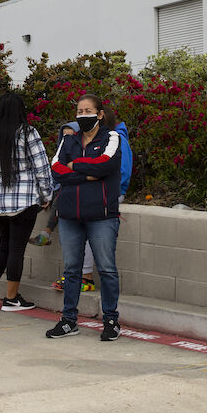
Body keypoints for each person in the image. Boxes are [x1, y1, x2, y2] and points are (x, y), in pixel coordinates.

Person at [45, 94, 124, 341]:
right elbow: (56, 169)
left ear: (100, 114)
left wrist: (74, 166)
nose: (83, 115)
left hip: (101, 216)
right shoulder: (68, 140)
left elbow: (104, 165)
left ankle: (111, 320)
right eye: (79, 111)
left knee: (107, 269)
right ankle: (69, 320)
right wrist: (86, 172)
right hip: (69, 215)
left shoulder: (112, 137)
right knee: (71, 269)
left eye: (88, 111)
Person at [0, 94, 53, 312]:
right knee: (16, 249)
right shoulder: (28, 132)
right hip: (24, 199)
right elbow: (41, 166)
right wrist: (47, 195)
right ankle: (11, 299)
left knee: (4, 245)